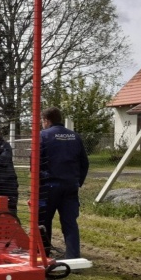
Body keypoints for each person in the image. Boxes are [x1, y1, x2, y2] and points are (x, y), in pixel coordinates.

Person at [39, 106, 89, 259]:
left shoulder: (43, 135)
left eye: (42, 121)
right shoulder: (75, 136)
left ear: (46, 121)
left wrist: (39, 183)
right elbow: (84, 163)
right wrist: (77, 182)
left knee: (43, 222)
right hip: (70, 187)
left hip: (49, 187)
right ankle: (73, 258)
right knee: (70, 224)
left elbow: (36, 162)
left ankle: (43, 255)